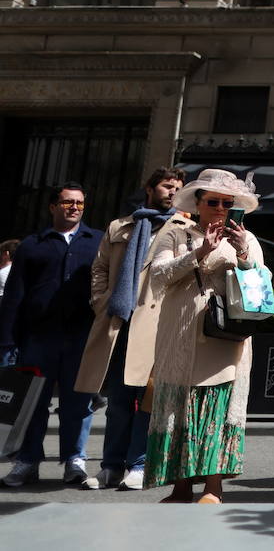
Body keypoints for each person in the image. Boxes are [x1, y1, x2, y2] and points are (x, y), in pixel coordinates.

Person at [143, 169, 265, 503]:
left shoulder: (247, 237)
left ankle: (213, 487)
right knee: (178, 407)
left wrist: (242, 254)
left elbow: (260, 285)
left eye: (228, 202)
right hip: (180, 333)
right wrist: (199, 252)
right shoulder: (175, 233)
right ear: (198, 203)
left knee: (218, 406)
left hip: (226, 337)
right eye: (213, 201)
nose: (221, 208)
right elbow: (157, 276)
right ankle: (180, 486)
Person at [73, 167, 186, 491]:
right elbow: (101, 268)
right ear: (149, 188)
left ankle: (137, 464)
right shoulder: (121, 226)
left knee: (147, 401)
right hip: (120, 322)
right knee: (119, 400)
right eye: (167, 186)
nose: (172, 191)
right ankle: (110, 466)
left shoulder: (184, 227)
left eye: (177, 187)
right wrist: (100, 301)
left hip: (158, 326)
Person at [0, 183, 101, 488]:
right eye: (68, 202)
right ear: (53, 207)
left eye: (80, 204)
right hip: (39, 339)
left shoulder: (97, 241)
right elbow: (14, 295)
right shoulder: (33, 245)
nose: (74, 208)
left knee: (78, 402)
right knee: (32, 403)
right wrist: (7, 339)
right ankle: (27, 461)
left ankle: (75, 460)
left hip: (81, 337)